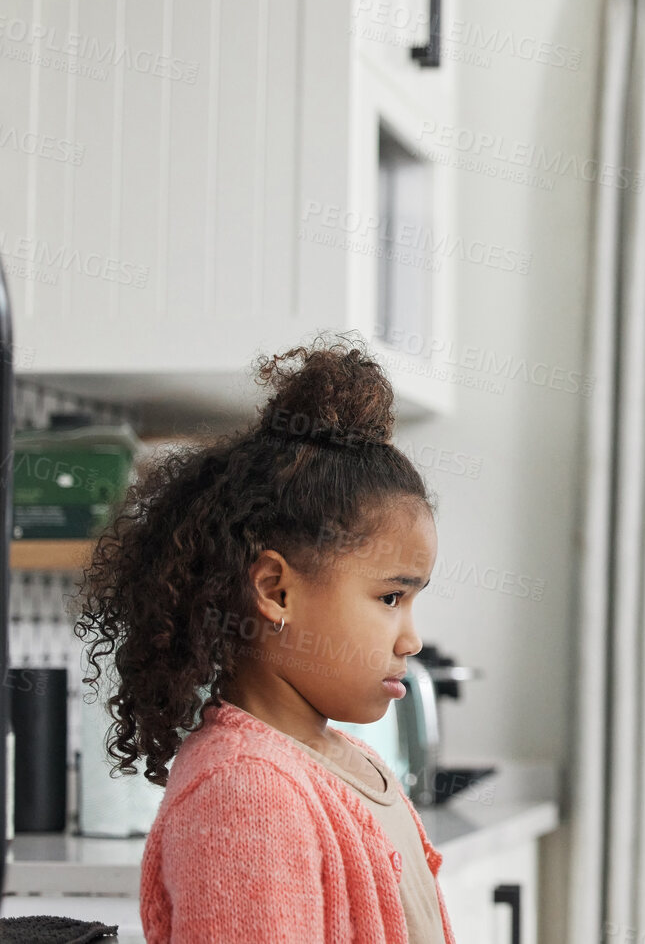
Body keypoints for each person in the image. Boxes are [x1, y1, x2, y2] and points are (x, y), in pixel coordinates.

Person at [75, 336, 455, 944]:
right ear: (276, 591)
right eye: (390, 598)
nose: (410, 639)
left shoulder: (352, 764)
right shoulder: (245, 792)